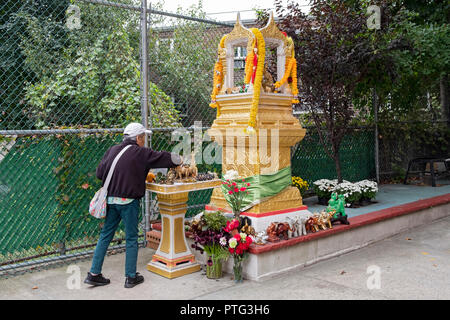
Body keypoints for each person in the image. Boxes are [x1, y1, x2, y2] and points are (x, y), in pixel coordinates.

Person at [84, 122, 182, 288]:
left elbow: (100, 173)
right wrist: (179, 159)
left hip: (111, 200)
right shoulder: (140, 152)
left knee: (105, 235)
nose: (144, 141)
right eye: (143, 137)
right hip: (128, 202)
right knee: (131, 238)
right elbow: (163, 158)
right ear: (138, 138)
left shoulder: (112, 150)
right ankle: (130, 277)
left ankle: (94, 273)